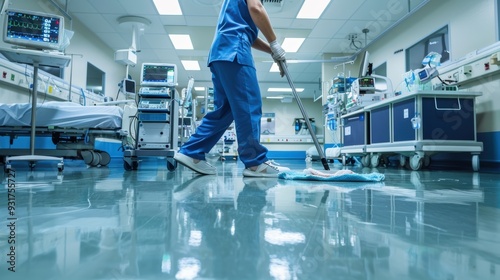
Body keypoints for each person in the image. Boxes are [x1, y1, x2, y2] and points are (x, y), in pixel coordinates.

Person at [174, 0, 290, 177]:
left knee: (225, 110)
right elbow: (256, 8)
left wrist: (272, 51)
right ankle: (255, 163)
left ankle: (191, 152)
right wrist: (274, 42)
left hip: (221, 53)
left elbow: (249, 34)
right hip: (235, 51)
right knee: (250, 106)